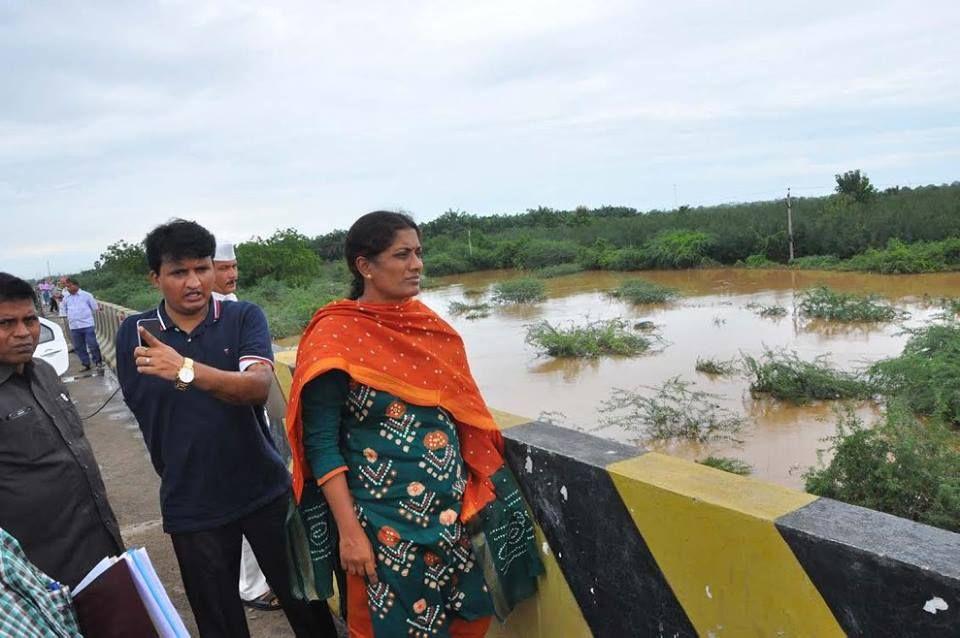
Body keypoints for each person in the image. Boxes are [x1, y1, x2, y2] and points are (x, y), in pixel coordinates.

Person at [285, 211, 543, 637]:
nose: (417, 264)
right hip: (381, 529)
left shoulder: (429, 329)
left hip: (452, 520)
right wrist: (350, 534)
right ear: (364, 266)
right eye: (401, 255)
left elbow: (463, 414)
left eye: (419, 253)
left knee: (469, 622)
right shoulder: (335, 335)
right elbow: (320, 445)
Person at [115, 220, 336, 638]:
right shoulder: (135, 332)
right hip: (190, 500)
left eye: (202, 269)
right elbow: (147, 407)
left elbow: (255, 388)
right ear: (155, 278)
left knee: (307, 607)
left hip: (263, 490)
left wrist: (182, 370)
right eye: (179, 272)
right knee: (218, 621)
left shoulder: (242, 316)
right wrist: (206, 382)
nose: (194, 282)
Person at [0, 272, 123, 589]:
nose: (24, 333)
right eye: (6, 324)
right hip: (39, 576)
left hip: (101, 549)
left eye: (30, 320)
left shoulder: (45, 373)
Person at [211, 239, 279, 611]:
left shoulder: (240, 310)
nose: (231, 274)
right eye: (222, 268)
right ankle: (252, 587)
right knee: (245, 505)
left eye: (233, 266)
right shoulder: (208, 317)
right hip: (228, 427)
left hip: (255, 419)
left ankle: (257, 581)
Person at [62, 277, 103, 371]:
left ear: (76, 285)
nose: (68, 288)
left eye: (70, 286)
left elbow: (94, 307)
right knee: (79, 347)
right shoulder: (66, 298)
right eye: (67, 287)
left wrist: (100, 308)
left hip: (87, 325)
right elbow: (64, 310)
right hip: (74, 326)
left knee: (92, 345)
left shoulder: (86, 295)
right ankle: (86, 364)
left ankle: (98, 362)